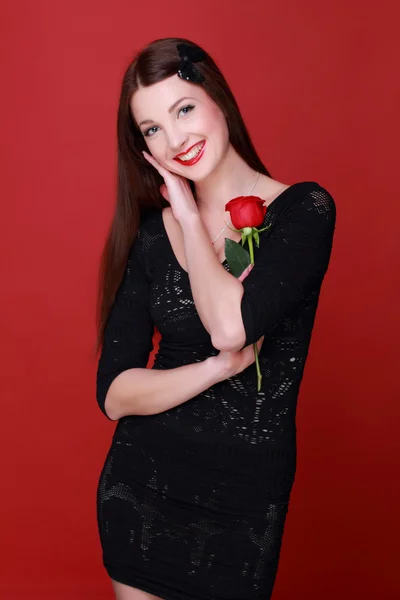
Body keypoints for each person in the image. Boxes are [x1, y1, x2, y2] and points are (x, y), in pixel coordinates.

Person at [95, 37, 336, 600]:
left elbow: (232, 326)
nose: (175, 138)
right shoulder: (152, 238)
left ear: (217, 98)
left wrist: (188, 211)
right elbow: (114, 394)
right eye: (152, 128)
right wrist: (215, 371)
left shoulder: (304, 210)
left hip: (245, 503)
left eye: (183, 109)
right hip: (143, 490)